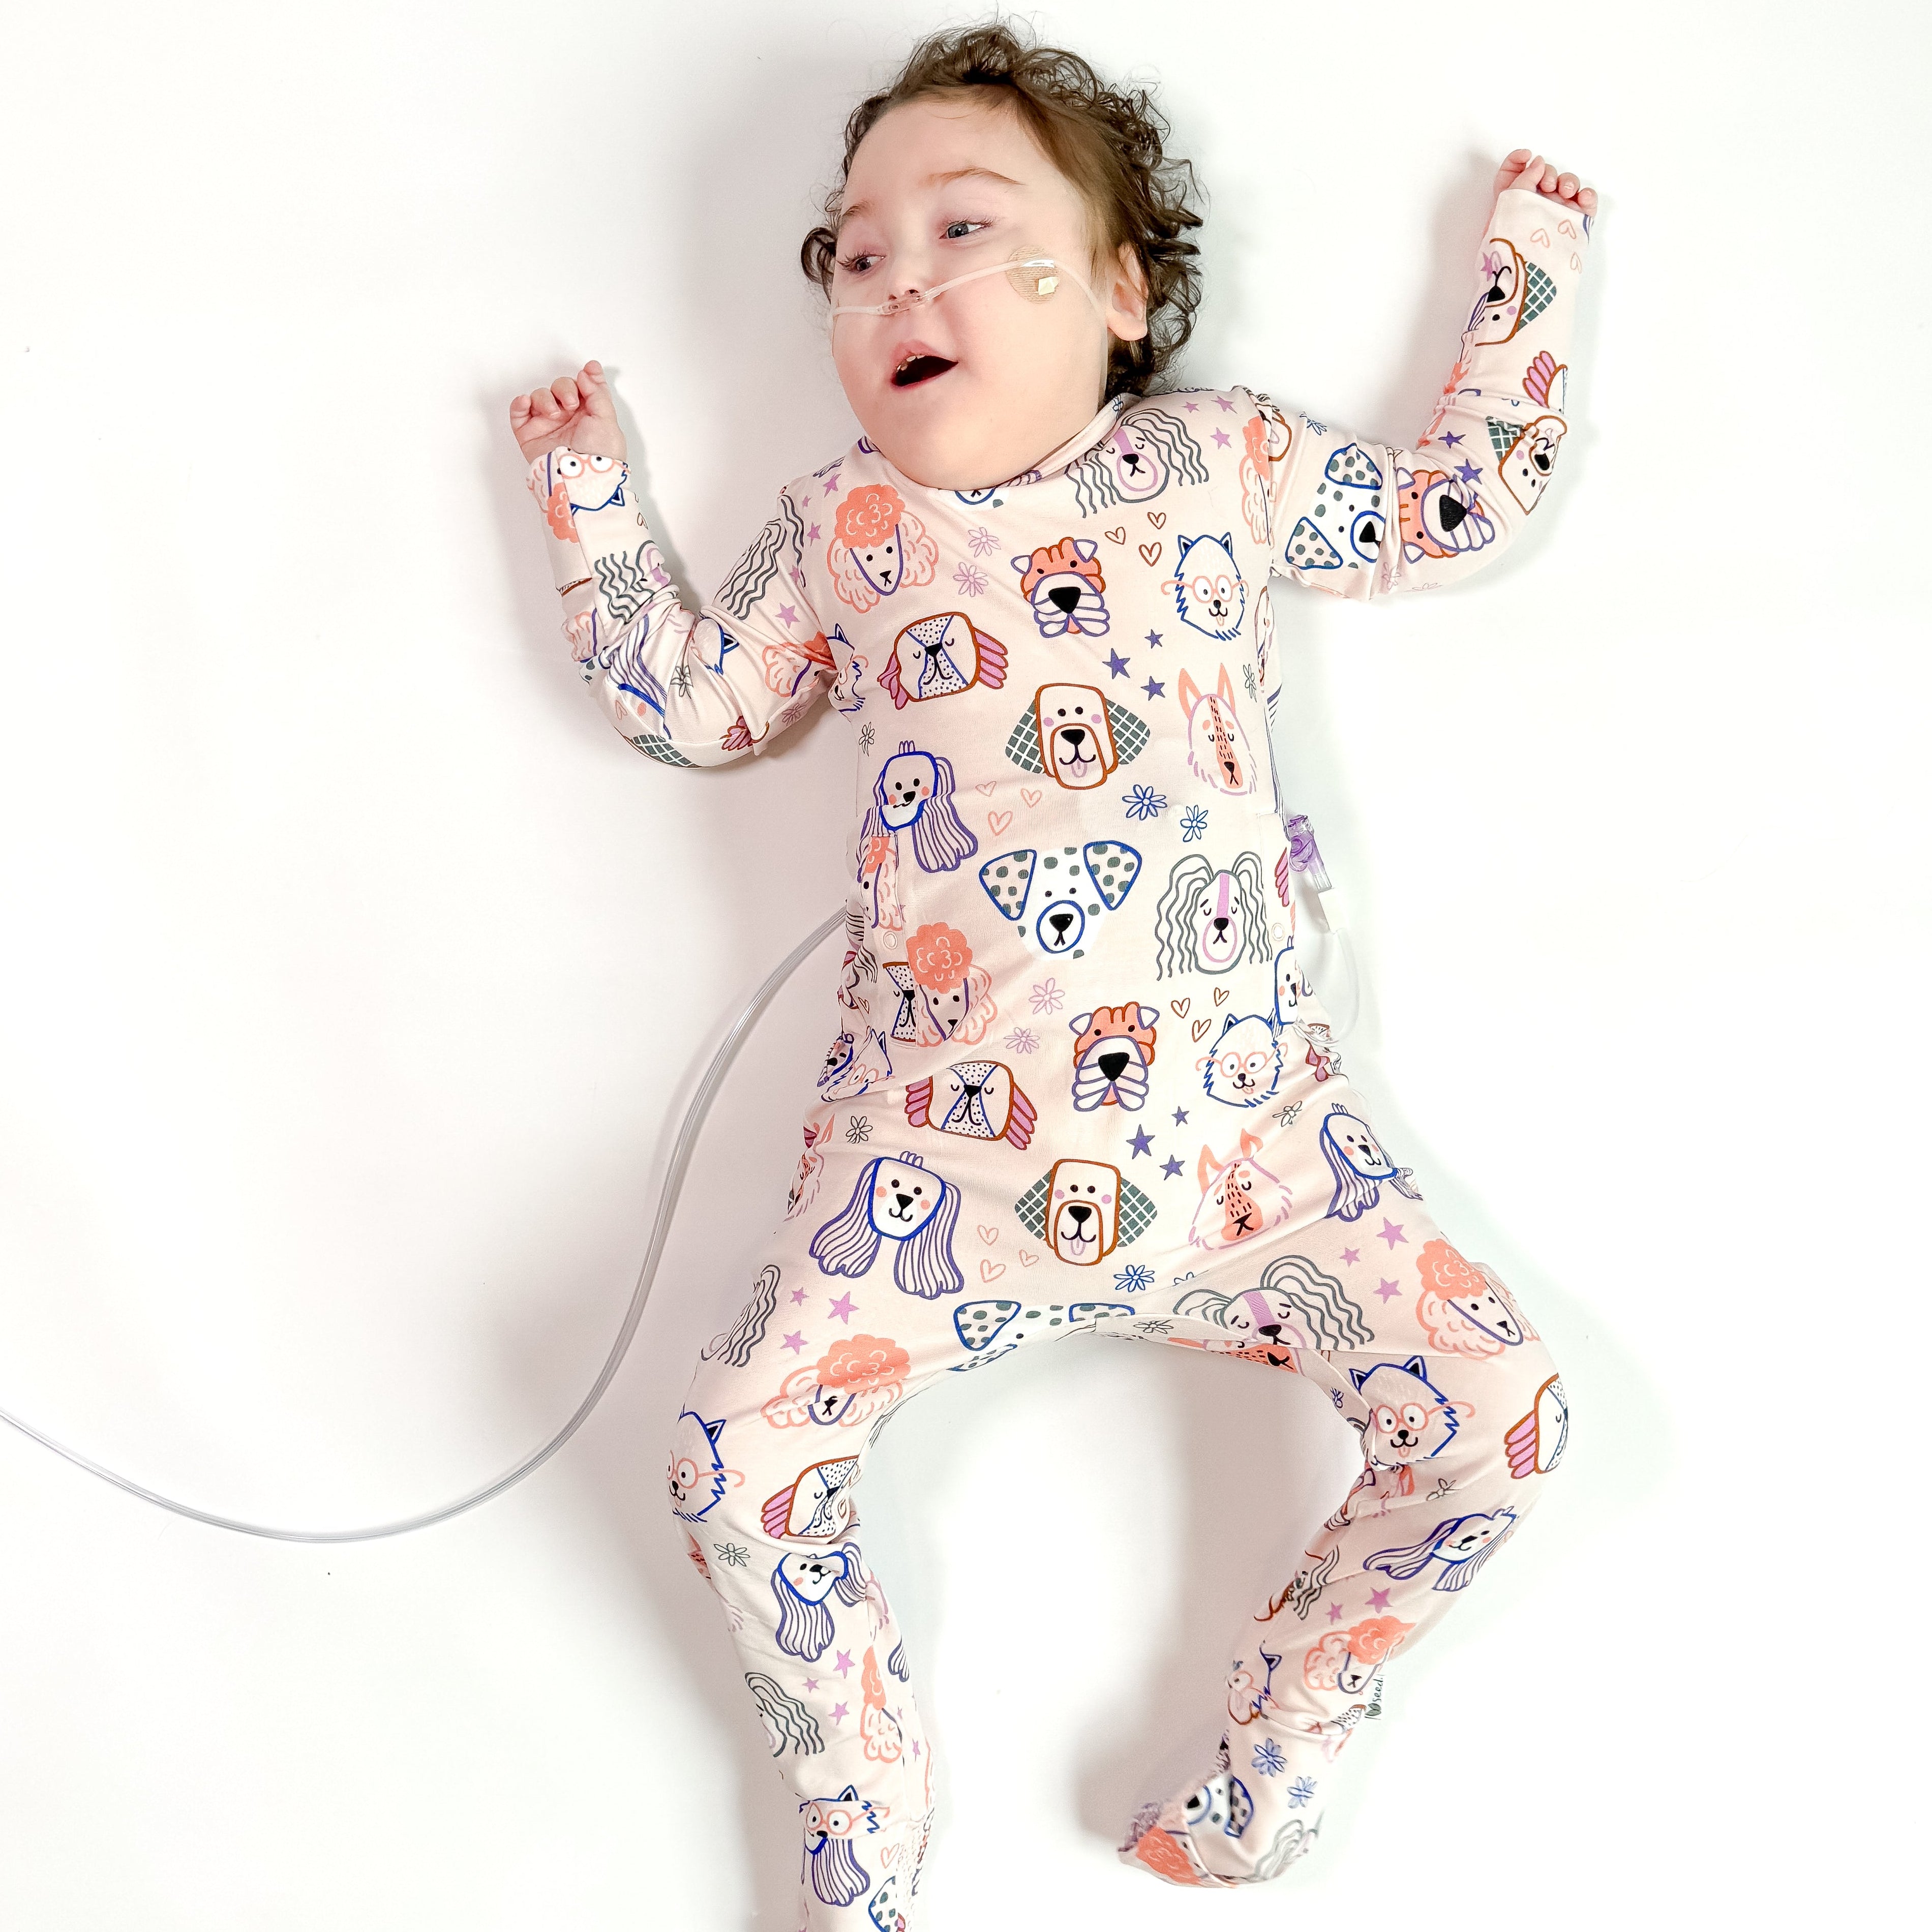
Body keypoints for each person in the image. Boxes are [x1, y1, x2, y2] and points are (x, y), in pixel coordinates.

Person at [508, 20, 1594, 1923]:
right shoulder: (854, 524)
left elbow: (1451, 506)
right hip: (930, 1171)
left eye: (959, 227)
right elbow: (700, 703)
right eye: (856, 258)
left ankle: (1283, 1736)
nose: (898, 279)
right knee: (728, 1467)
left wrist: (1531, 278)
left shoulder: (1220, 462)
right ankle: (859, 1791)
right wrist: (594, 507)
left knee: (1504, 1422)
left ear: (1117, 289)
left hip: (1261, 1155)